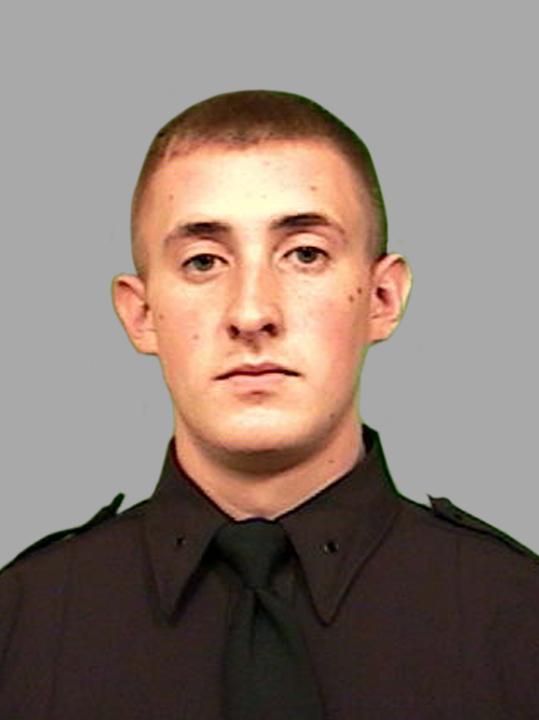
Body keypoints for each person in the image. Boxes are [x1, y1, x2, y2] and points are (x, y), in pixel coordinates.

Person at [1, 90, 538, 719]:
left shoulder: (519, 620)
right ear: (141, 313)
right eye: (203, 261)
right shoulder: (21, 624)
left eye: (305, 254)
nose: (252, 312)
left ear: (382, 298)